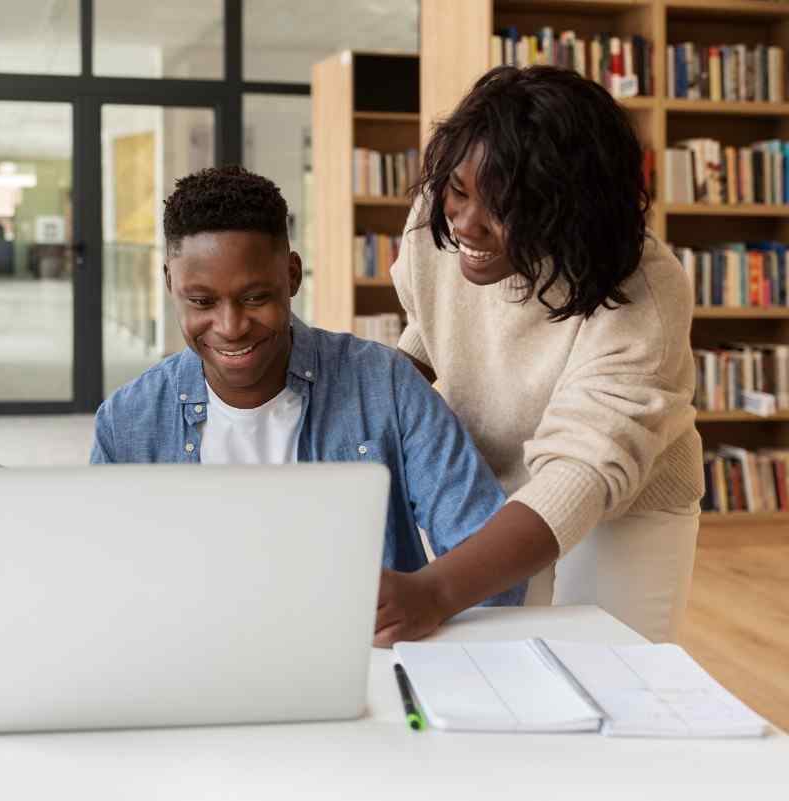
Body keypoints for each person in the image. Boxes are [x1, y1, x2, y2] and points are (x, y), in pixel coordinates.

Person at [91, 165, 526, 640]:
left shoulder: (385, 385)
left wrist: (428, 602)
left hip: (365, 669)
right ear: (170, 283)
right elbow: (100, 591)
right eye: (201, 302)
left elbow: (491, 565)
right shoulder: (128, 421)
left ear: (292, 275)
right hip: (190, 662)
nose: (231, 325)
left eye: (255, 297)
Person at [391, 66, 703, 642]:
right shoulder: (439, 221)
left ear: (570, 211)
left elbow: (583, 469)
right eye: (458, 190)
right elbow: (429, 331)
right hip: (494, 490)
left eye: (503, 208)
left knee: (612, 683)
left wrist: (436, 590)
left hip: (625, 505)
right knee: (500, 668)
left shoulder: (646, 293)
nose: (465, 223)